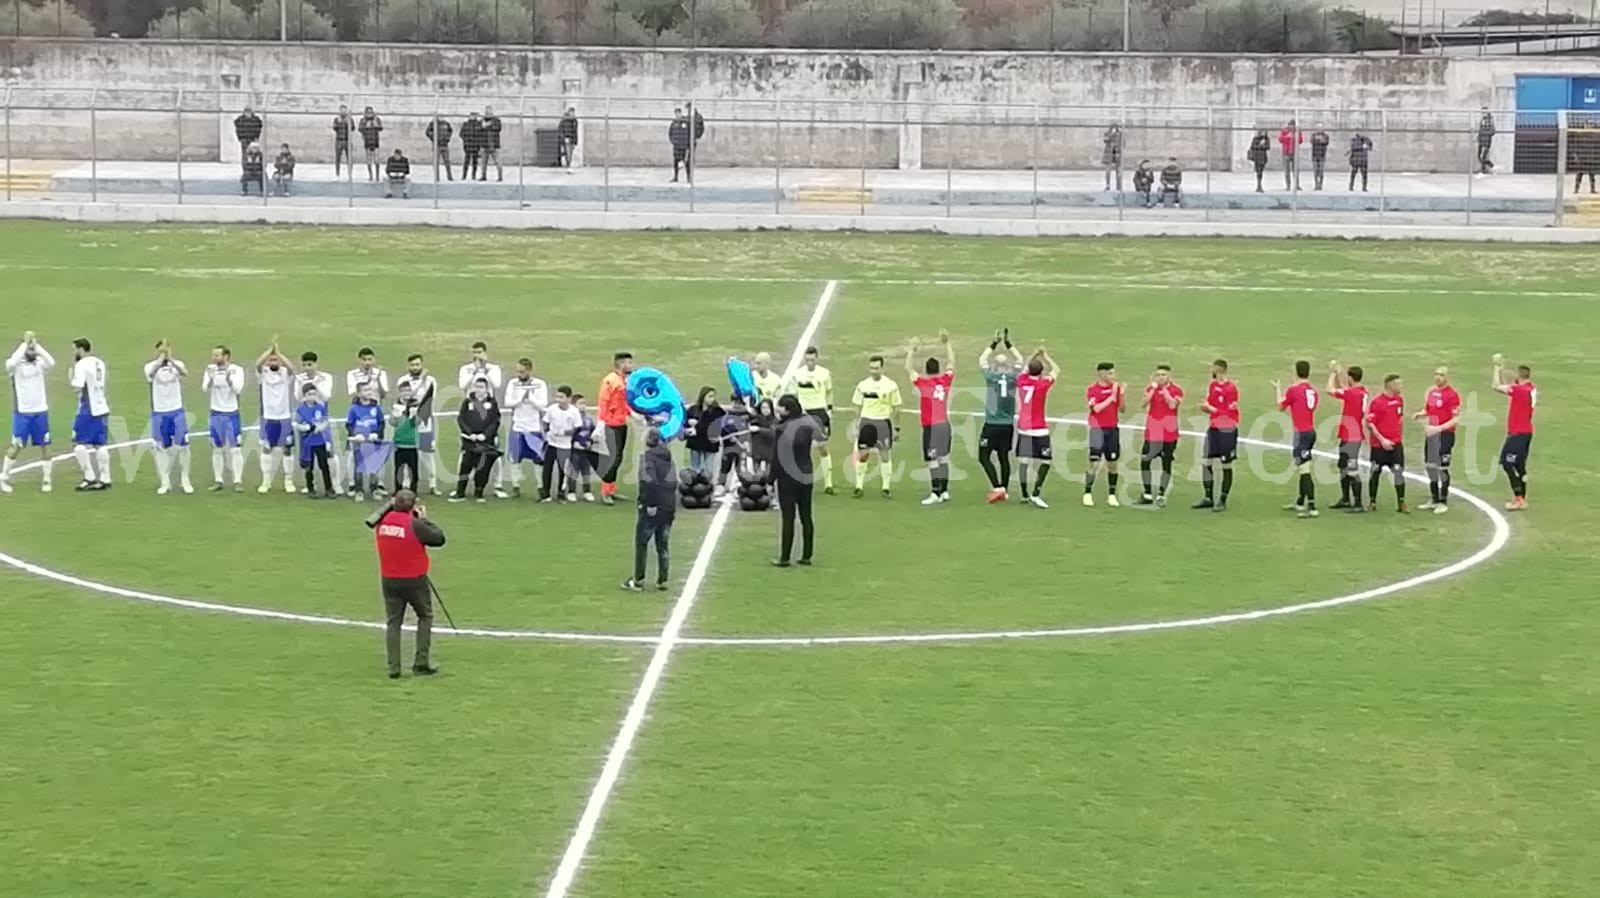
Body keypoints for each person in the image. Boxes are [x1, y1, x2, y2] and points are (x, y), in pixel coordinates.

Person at [369, 489, 445, 679]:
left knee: (394, 622)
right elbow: (439, 538)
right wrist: (424, 519)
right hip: (415, 579)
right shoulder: (415, 524)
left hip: (389, 579)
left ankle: (393, 667)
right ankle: (421, 662)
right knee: (425, 616)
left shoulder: (380, 522)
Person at [2, 331, 56, 495]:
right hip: (23, 413)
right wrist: (25, 344)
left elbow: (51, 362)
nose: (33, 352)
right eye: (30, 349)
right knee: (16, 446)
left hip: (40, 412)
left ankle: (47, 478)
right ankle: (4, 477)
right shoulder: (15, 366)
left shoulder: (39, 363)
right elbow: (11, 363)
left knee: (45, 446)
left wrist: (37, 346)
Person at [771, 395, 822, 567]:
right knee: (806, 516)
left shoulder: (781, 429)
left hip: (787, 478)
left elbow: (777, 457)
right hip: (806, 474)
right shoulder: (807, 424)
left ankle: (785, 557)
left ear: (787, 410)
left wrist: (770, 479)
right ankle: (807, 555)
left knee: (788, 518)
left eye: (780, 408)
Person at [623, 427, 675, 592]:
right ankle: (662, 580)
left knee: (642, 542)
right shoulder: (669, 459)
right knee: (663, 544)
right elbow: (673, 483)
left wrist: (649, 504)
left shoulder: (647, 458)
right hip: (668, 506)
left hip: (653, 507)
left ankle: (638, 579)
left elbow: (648, 482)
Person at [906, 330, 955, 506]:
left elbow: (909, 369)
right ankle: (945, 490)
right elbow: (951, 363)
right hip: (945, 425)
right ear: (938, 369)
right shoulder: (945, 381)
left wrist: (912, 350)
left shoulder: (924, 384)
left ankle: (935, 492)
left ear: (926, 370)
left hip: (931, 427)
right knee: (944, 458)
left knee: (932, 459)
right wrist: (946, 343)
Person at [143, 340, 193, 496]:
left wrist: (170, 360)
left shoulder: (176, 365)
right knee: (160, 447)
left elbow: (185, 373)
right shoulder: (150, 366)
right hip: (159, 412)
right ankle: (165, 481)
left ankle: (185, 479)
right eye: (160, 351)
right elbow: (150, 375)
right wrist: (161, 360)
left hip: (176, 410)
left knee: (184, 445)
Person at [458, 342, 507, 497]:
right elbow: (462, 385)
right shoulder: (466, 369)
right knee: (466, 454)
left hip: (488, 409)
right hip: (472, 409)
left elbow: (496, 384)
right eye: (474, 352)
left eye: (480, 352)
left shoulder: (494, 368)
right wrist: (475, 372)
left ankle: (498, 485)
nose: (477, 355)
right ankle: (461, 486)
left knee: (492, 452)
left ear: (485, 352)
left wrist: (485, 369)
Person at [850, 354, 902, 499]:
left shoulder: (891, 385)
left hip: (883, 423)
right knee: (863, 455)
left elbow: (897, 408)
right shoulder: (863, 385)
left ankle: (886, 487)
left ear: (882, 368)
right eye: (872, 368)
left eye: (877, 368)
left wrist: (897, 428)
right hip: (867, 423)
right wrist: (855, 425)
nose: (874, 371)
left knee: (885, 455)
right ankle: (859, 486)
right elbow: (857, 406)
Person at [784, 346, 834, 494]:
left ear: (816, 359)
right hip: (803, 413)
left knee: (823, 447)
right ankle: (799, 479)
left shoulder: (824, 374)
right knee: (800, 448)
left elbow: (830, 391)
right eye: (807, 360)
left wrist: (829, 410)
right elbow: (793, 394)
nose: (810, 363)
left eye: (812, 360)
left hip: (819, 412)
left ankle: (828, 483)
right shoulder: (797, 374)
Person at [978, 330, 1020, 504]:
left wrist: (994, 343)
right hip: (1007, 424)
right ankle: (1005, 489)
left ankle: (997, 487)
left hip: (991, 424)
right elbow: (1020, 360)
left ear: (995, 366)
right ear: (1008, 366)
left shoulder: (991, 377)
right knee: (1004, 457)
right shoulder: (1013, 377)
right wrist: (1009, 344)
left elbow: (982, 360)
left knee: (983, 456)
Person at [1014, 346, 1059, 508]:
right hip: (1039, 428)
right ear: (1040, 372)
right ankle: (1036, 492)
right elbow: (1056, 370)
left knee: (1024, 462)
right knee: (1046, 461)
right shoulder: (1042, 384)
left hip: (1024, 428)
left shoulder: (1021, 381)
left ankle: (1024, 494)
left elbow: (1026, 366)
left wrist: (1034, 354)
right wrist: (1045, 355)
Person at [1274, 360, 1320, 518]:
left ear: (1295, 372)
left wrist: (1278, 389)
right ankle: (1300, 502)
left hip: (1301, 434)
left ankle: (1312, 507)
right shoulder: (1313, 391)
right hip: (1310, 431)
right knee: (1302, 467)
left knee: (1305, 470)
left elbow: (1280, 406)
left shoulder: (1293, 390)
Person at [1414, 366, 1461, 515]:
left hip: (1445, 435)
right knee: (1430, 466)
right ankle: (1434, 498)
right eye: (1436, 374)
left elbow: (1455, 419)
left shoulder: (1452, 395)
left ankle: (1443, 501)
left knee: (1442, 468)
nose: (1438, 377)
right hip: (1432, 435)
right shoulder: (1431, 392)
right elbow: (1428, 410)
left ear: (1447, 377)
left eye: (1441, 375)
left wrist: (1438, 428)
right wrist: (1420, 414)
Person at [1193, 358, 1239, 512]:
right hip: (1213, 429)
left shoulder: (1231, 389)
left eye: (1213, 369)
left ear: (1219, 370)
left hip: (1227, 430)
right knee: (1206, 461)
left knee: (1226, 464)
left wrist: (1212, 409)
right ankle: (1208, 497)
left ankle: (1222, 500)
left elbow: (1230, 412)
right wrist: (1205, 407)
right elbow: (1210, 402)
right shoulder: (1213, 385)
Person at [1492, 355, 1536, 511]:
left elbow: (1496, 386)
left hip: (1517, 433)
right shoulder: (1530, 389)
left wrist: (1497, 368)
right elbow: (1508, 387)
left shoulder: (1520, 390)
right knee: (1520, 466)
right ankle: (1522, 499)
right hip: (1526, 432)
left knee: (1507, 462)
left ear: (1519, 375)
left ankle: (1518, 498)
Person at [68, 337, 111, 491]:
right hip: (102, 407)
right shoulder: (100, 362)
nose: (73, 352)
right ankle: (105, 478)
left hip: (88, 408)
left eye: (74, 349)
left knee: (78, 443)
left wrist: (71, 377)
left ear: (80, 349)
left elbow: (78, 386)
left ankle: (89, 477)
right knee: (100, 444)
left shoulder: (81, 365)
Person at [255, 340, 298, 494]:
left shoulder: (285, 374)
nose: (273, 361)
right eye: (271, 360)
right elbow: (258, 365)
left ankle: (288, 480)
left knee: (287, 449)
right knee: (267, 448)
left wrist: (278, 353)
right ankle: (266, 481)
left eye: (276, 360)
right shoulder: (264, 373)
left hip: (284, 416)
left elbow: (292, 368)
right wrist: (269, 351)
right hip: (268, 417)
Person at [346, 348, 390, 495]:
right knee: (356, 453)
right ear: (359, 360)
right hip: (359, 418)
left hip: (375, 418)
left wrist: (376, 379)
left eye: (370, 359)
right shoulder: (352, 374)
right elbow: (352, 395)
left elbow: (384, 394)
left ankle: (377, 484)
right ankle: (354, 484)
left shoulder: (380, 373)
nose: (367, 363)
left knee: (376, 452)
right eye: (364, 360)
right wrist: (369, 381)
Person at [1137, 364, 1183, 507]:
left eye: (1163, 375)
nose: (1160, 377)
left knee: (1166, 464)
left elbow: (1172, 405)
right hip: (1152, 432)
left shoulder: (1176, 390)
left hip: (1168, 434)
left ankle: (1162, 493)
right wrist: (1152, 391)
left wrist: (1165, 391)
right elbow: (1143, 404)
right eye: (1158, 375)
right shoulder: (1151, 389)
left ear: (1169, 376)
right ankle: (1147, 493)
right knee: (1145, 461)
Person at [504, 358, 549, 498]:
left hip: (534, 428)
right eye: (518, 371)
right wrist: (520, 399)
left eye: (522, 372)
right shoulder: (513, 383)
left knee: (538, 460)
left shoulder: (539, 384)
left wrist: (530, 399)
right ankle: (516, 487)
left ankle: (541, 487)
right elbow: (508, 402)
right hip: (517, 427)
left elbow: (543, 405)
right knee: (515, 458)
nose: (519, 374)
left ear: (529, 370)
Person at [294, 351, 339, 494]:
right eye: (305, 365)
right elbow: (298, 397)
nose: (307, 368)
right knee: (307, 456)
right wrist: (305, 386)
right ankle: (310, 485)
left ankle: (335, 484)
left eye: (310, 364)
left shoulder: (326, 377)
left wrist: (314, 385)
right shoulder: (299, 379)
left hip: (321, 419)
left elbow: (326, 397)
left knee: (328, 452)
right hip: (307, 419)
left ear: (316, 364)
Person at [395, 354, 440, 495]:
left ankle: (433, 484)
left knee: (428, 453)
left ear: (422, 365)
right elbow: (408, 398)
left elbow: (427, 399)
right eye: (412, 365)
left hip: (424, 421)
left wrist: (424, 382)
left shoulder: (431, 381)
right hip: (408, 423)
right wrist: (420, 381)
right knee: (409, 455)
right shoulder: (402, 380)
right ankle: (407, 484)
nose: (415, 367)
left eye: (417, 364)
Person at [203, 345, 246, 493]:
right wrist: (211, 378)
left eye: (217, 355)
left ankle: (237, 481)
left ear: (226, 356)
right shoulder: (210, 369)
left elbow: (238, 390)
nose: (214, 358)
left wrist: (228, 379)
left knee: (235, 449)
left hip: (231, 413)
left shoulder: (237, 370)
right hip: (216, 413)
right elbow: (205, 388)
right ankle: (218, 480)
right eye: (214, 355)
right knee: (217, 448)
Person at [1326, 361, 1369, 511]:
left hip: (1351, 437)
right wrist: (1339, 374)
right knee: (1343, 466)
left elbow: (1330, 390)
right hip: (1350, 435)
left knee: (1351, 468)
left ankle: (1357, 503)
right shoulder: (1361, 393)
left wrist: (1332, 373)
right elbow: (1343, 389)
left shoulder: (1352, 394)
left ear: (1351, 378)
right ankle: (1345, 499)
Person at [1364, 374, 1408, 514]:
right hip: (1379, 445)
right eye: (1398, 384)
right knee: (1375, 472)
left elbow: (1399, 418)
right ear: (1390, 385)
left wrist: (1396, 438)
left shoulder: (1399, 400)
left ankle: (1401, 502)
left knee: (1398, 472)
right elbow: (1370, 423)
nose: (1401, 387)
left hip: (1395, 444)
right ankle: (1372, 502)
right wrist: (1382, 439)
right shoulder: (1378, 402)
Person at [451, 378, 500, 503]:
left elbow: (495, 421)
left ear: (486, 389)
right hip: (470, 441)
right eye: (477, 387)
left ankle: (479, 492)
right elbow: (461, 419)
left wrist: (486, 435)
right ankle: (460, 492)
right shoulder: (468, 402)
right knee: (465, 466)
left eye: (481, 387)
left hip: (485, 442)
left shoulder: (492, 402)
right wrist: (469, 433)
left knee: (482, 468)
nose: (479, 390)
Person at [1083, 361, 1124, 507]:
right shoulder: (1092, 390)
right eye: (1110, 373)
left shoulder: (1115, 389)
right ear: (1101, 373)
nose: (1113, 376)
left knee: (1112, 463)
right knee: (1094, 463)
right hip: (1097, 430)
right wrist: (1111, 397)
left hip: (1112, 430)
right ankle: (1087, 493)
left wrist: (1121, 396)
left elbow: (1122, 409)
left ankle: (1112, 495)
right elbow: (1097, 409)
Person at [596, 351, 635, 505]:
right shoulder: (610, 381)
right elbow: (603, 402)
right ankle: (605, 491)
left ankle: (611, 489)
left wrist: (633, 414)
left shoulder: (625, 380)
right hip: (611, 424)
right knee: (613, 458)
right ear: (621, 364)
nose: (631, 366)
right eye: (629, 363)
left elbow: (623, 402)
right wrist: (600, 423)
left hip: (621, 423)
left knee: (618, 457)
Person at [346, 382, 387, 502]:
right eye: (365, 390)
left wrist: (377, 434)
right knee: (359, 466)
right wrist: (355, 435)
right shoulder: (353, 408)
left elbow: (381, 423)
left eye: (370, 390)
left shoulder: (376, 407)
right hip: (359, 441)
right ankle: (359, 490)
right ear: (359, 393)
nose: (368, 393)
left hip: (372, 441)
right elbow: (348, 425)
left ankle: (374, 489)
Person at [542, 386, 583, 503]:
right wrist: (548, 433)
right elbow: (545, 422)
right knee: (547, 469)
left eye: (561, 397)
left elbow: (577, 428)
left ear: (569, 398)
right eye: (557, 397)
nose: (558, 400)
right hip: (551, 444)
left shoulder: (574, 412)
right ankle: (546, 493)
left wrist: (565, 433)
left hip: (564, 446)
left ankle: (561, 493)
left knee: (562, 470)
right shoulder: (552, 409)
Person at [295, 382, 335, 498]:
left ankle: (329, 488)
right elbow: (298, 424)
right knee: (309, 466)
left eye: (314, 394)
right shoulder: (301, 409)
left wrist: (320, 428)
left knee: (324, 465)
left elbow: (325, 421)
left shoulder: (320, 407)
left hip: (319, 441)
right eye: (309, 394)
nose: (312, 396)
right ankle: (310, 488)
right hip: (308, 443)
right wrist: (307, 428)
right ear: (304, 396)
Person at [390, 381, 422, 493]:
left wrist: (414, 415)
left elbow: (417, 423)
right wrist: (395, 416)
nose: (406, 393)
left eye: (408, 390)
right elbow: (392, 423)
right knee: (399, 470)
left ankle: (414, 491)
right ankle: (397, 491)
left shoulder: (416, 405)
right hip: (399, 443)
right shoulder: (396, 406)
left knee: (413, 470)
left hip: (412, 443)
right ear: (399, 393)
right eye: (403, 391)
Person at [684, 386, 724, 475]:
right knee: (694, 469)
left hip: (710, 443)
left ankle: (707, 487)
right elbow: (685, 424)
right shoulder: (693, 409)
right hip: (695, 442)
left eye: (713, 396)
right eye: (710, 396)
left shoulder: (718, 411)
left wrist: (720, 435)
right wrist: (688, 426)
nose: (712, 399)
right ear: (703, 397)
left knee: (708, 470)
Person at [571, 393, 599, 501]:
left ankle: (587, 491)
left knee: (586, 471)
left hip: (586, 449)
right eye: (580, 403)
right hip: (575, 450)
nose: (583, 406)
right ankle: (571, 491)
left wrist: (591, 442)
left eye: (584, 403)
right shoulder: (572, 418)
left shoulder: (588, 419)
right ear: (574, 405)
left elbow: (592, 432)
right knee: (574, 470)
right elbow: (570, 433)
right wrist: (574, 442)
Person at [425, 115, 454, 181]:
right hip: (436, 146)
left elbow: (450, 131)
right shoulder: (432, 123)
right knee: (436, 162)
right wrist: (433, 138)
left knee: (447, 161)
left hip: (445, 145)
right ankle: (437, 178)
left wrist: (447, 138)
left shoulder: (446, 123)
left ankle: (450, 177)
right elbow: (427, 132)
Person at [359, 107, 384, 181]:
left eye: (371, 112)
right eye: (368, 112)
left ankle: (377, 176)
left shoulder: (376, 119)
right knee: (369, 160)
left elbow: (381, 128)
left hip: (375, 142)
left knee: (377, 160)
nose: (370, 114)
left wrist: (376, 124)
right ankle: (370, 175)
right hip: (367, 142)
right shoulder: (363, 120)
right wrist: (366, 125)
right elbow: (360, 129)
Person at [1278, 119, 1303, 191]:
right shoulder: (1284, 131)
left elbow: (1301, 141)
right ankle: (1288, 185)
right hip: (1286, 152)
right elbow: (1280, 139)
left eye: (1293, 125)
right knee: (1287, 170)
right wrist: (1287, 136)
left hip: (1295, 152)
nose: (1291, 127)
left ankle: (1297, 185)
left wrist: (1296, 136)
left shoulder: (1297, 131)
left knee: (1296, 170)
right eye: (1290, 125)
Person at [669, 107, 692, 183]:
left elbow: (689, 133)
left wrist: (687, 143)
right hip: (676, 145)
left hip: (683, 145)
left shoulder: (685, 122)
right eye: (676, 114)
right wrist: (673, 141)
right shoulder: (673, 123)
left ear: (680, 113)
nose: (677, 115)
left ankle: (688, 178)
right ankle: (676, 177)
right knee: (676, 161)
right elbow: (670, 133)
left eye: (678, 113)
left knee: (686, 162)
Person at [459, 111, 484, 182]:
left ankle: (474, 175)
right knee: (466, 161)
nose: (473, 117)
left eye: (474, 116)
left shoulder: (479, 124)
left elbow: (481, 135)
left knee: (475, 161)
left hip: (476, 146)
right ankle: (464, 175)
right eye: (472, 116)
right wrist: (466, 140)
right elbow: (461, 134)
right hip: (468, 145)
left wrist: (478, 142)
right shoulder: (466, 124)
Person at [482, 106, 503, 181]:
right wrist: (483, 125)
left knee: (498, 161)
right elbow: (479, 130)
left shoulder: (496, 120)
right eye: (486, 112)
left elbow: (498, 128)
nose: (487, 113)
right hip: (484, 144)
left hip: (495, 145)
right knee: (483, 162)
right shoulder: (482, 120)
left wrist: (488, 125)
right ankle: (483, 176)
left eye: (489, 112)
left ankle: (500, 176)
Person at [332, 105, 354, 177]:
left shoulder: (350, 119)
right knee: (338, 158)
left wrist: (348, 123)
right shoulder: (336, 119)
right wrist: (339, 122)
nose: (343, 112)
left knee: (349, 158)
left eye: (344, 110)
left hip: (347, 140)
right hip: (339, 140)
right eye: (342, 110)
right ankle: (337, 173)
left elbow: (353, 128)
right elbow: (334, 128)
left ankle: (350, 172)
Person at [1101, 123, 1123, 191]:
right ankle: (1108, 184)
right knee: (1108, 170)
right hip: (1108, 153)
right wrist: (1111, 135)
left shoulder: (1120, 135)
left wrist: (1117, 135)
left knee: (1118, 170)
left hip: (1117, 153)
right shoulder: (1107, 133)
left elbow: (1122, 143)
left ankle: (1119, 185)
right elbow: (1105, 140)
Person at [558, 107, 579, 171]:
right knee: (568, 153)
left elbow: (575, 131)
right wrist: (564, 137)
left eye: (573, 112)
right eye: (571, 112)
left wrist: (576, 141)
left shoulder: (575, 121)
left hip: (572, 138)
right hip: (567, 138)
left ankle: (568, 164)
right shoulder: (564, 120)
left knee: (570, 152)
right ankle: (568, 166)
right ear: (569, 112)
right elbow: (560, 129)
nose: (572, 113)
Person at [1476, 108, 1496, 176]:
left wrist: (1486, 133)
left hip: (1486, 141)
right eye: (1482, 112)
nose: (1483, 113)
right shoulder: (1483, 120)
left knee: (1483, 156)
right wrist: (1478, 137)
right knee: (1479, 156)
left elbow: (1493, 131)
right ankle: (1485, 169)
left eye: (1484, 112)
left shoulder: (1490, 120)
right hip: (1481, 140)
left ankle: (1489, 167)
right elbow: (1480, 129)